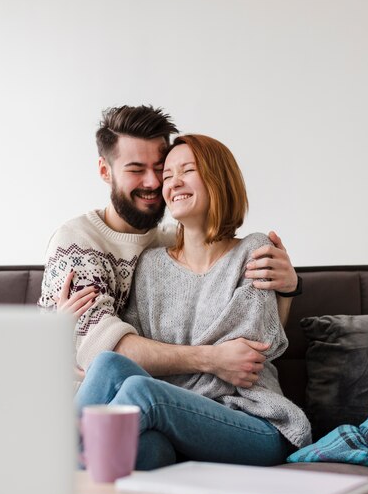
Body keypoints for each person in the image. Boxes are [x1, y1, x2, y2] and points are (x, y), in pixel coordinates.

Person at [75, 134, 311, 470]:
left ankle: (49, 468)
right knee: (111, 371)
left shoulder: (253, 250)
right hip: (176, 427)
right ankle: (66, 472)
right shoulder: (151, 265)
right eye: (167, 175)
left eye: (187, 170)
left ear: (218, 178)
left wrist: (168, 373)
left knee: (144, 392)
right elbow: (139, 359)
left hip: (254, 422)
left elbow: (245, 357)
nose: (173, 182)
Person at [39, 105, 300, 387]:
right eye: (136, 169)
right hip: (81, 396)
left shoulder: (170, 245)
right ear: (105, 170)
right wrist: (212, 358)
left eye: (159, 170)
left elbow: (254, 338)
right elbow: (106, 354)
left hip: (154, 400)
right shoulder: (77, 244)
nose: (153, 182)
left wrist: (287, 289)